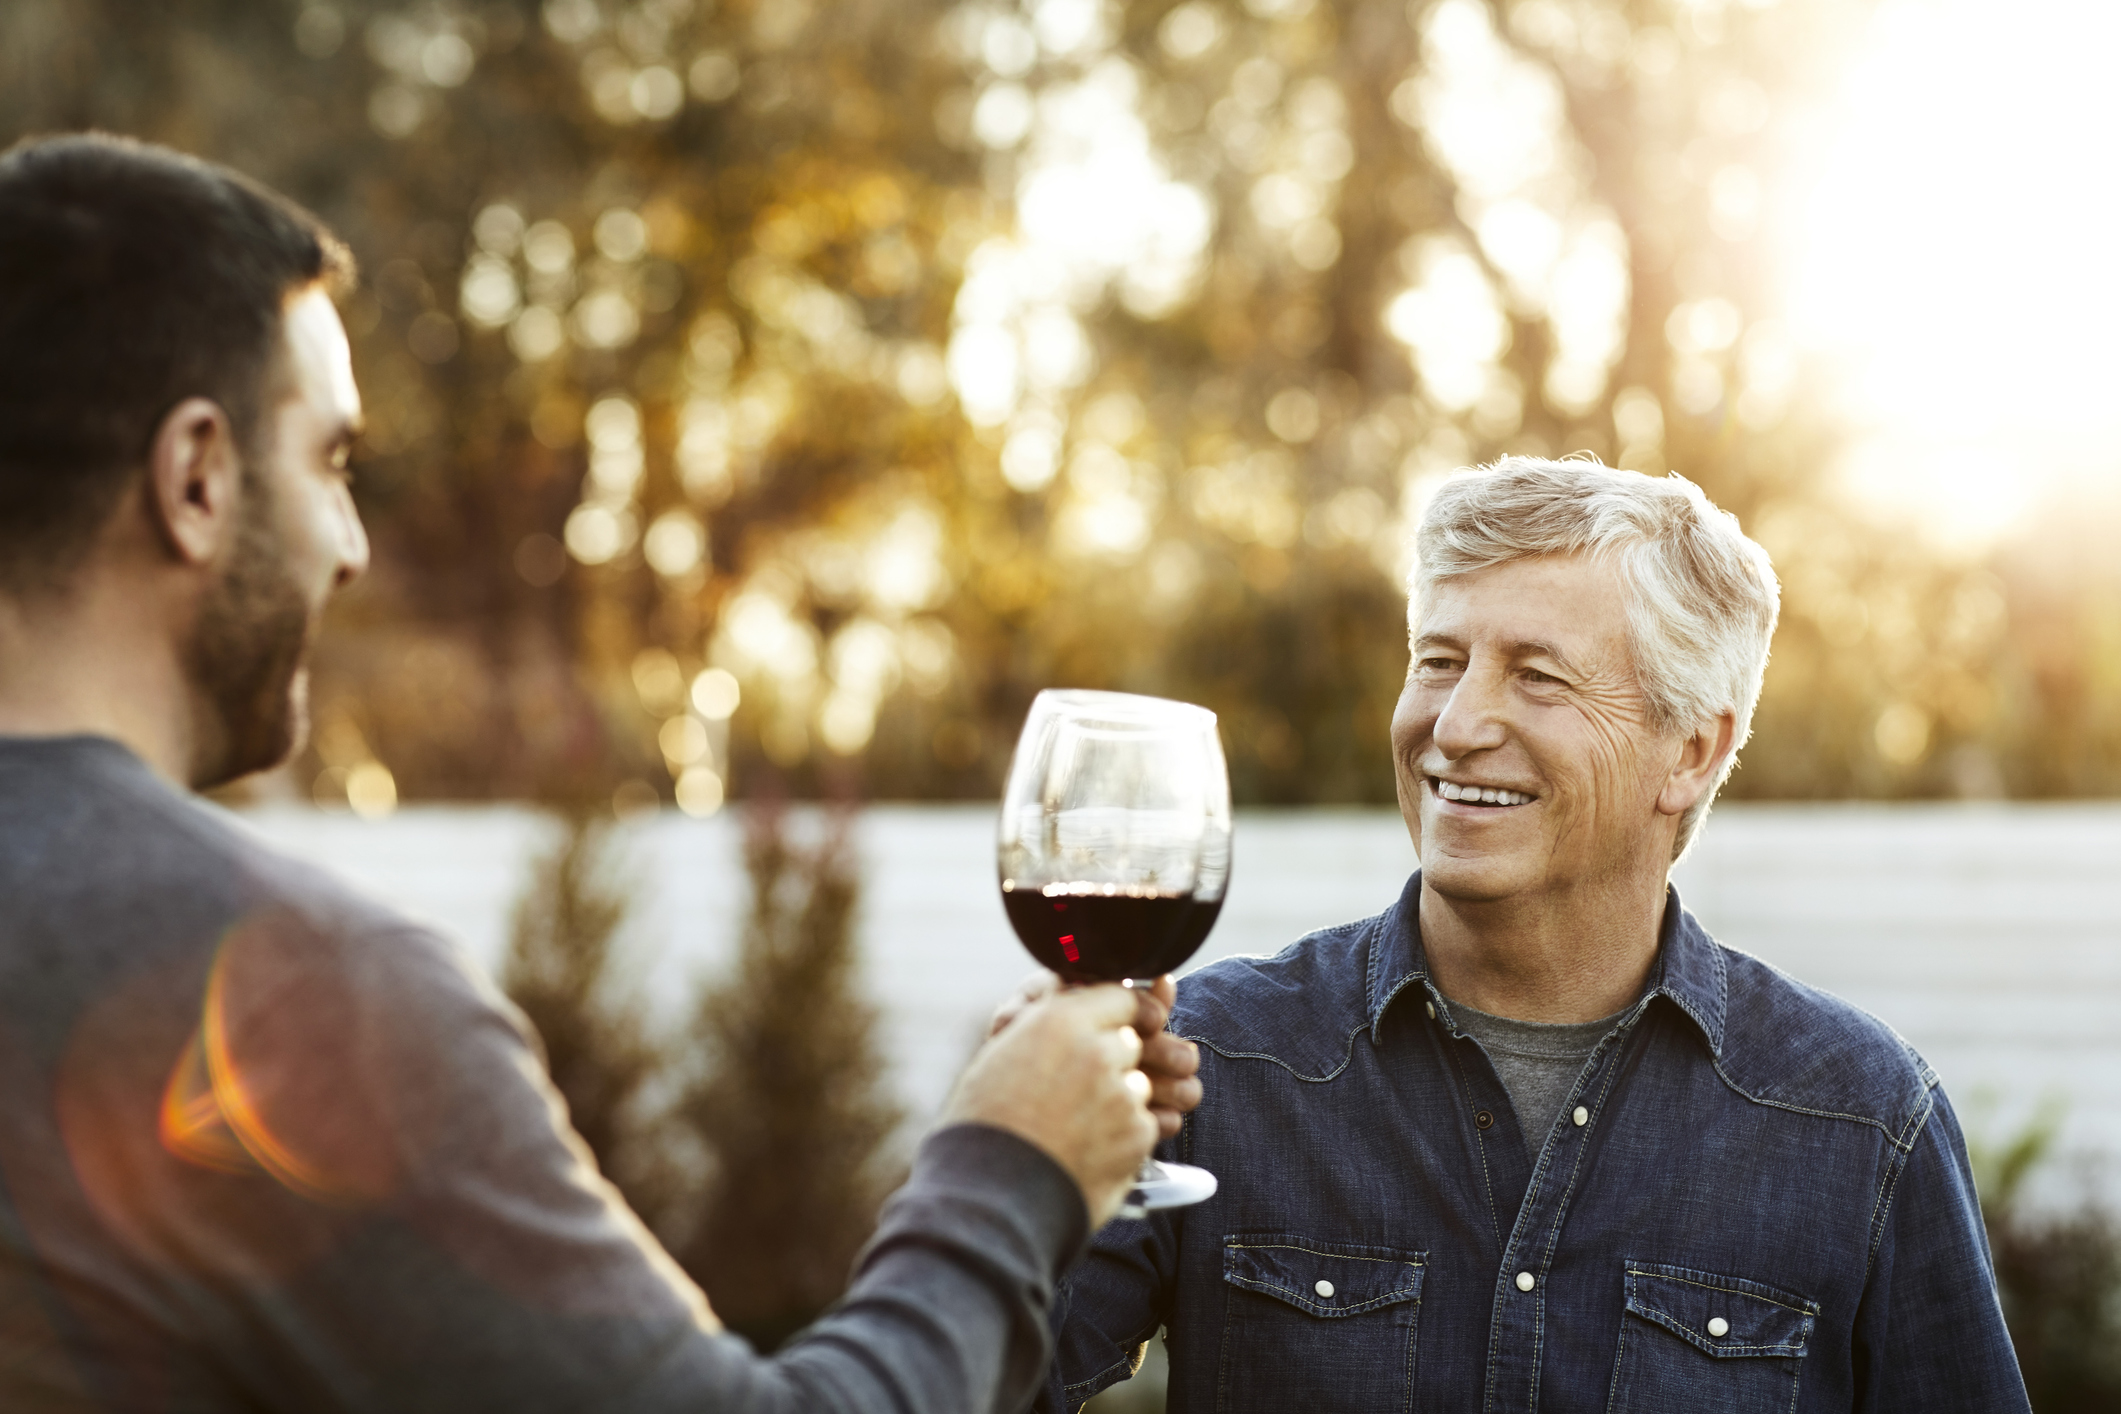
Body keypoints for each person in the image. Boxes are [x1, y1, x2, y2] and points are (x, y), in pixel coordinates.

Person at [0, 132, 1202, 1413]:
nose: (349, 544)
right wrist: (1011, 1171)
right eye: (332, 463)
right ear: (194, 478)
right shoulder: (287, 999)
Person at [1041, 458, 2030, 1412]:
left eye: (1539, 677)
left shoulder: (1863, 1121)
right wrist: (1009, 1150)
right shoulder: (1205, 1063)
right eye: (1439, 660)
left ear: (1690, 749)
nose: (1458, 724)